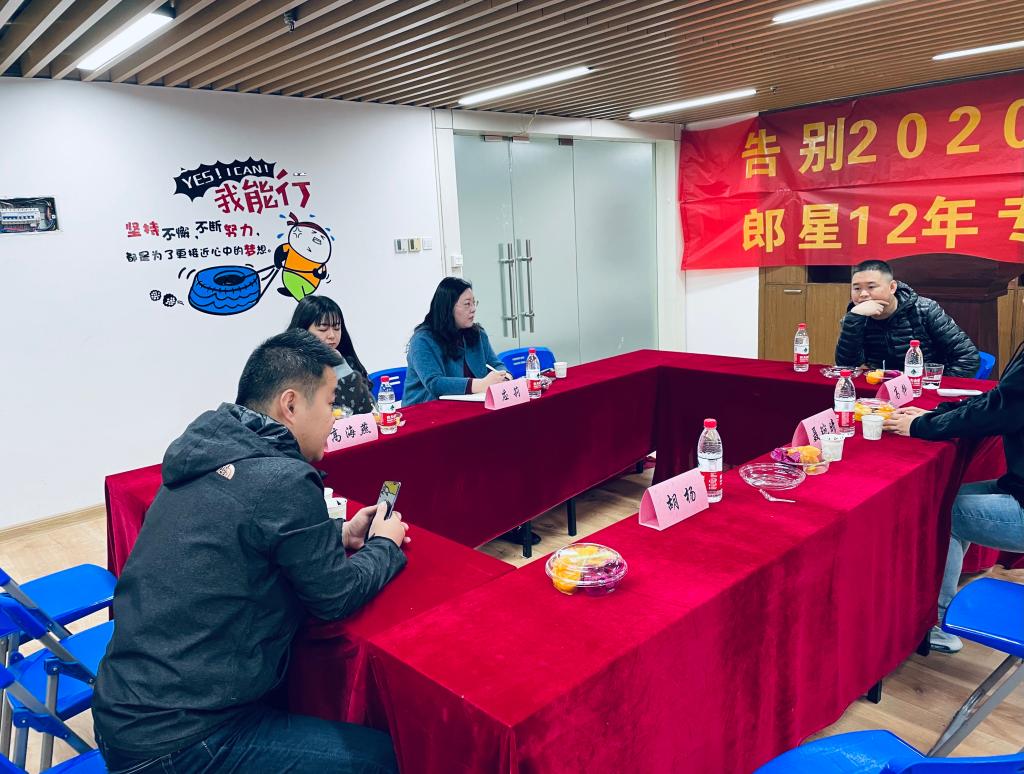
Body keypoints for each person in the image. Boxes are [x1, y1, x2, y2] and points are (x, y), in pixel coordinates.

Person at [93, 330, 410, 773]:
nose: (336, 417)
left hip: (123, 708)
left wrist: (338, 534)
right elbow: (335, 596)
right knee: (385, 758)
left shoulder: (206, 454)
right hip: (180, 740)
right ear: (291, 405)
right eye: (329, 403)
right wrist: (384, 545)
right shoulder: (282, 478)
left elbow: (247, 531)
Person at [884, 339, 1024, 653]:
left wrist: (923, 425)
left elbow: (999, 411)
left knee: (944, 513)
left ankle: (936, 619)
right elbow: (1000, 398)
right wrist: (937, 414)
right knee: (947, 499)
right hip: (1017, 485)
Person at [834, 260, 979, 377]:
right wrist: (854, 320)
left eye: (871, 287)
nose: (863, 294)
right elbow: (847, 367)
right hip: (880, 387)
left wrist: (935, 385)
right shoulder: (856, 317)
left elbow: (968, 357)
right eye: (857, 288)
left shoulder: (925, 309)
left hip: (924, 385)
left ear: (892, 287)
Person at [403, 277, 510, 407]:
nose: (473, 309)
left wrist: (505, 378)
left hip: (468, 405)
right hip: (425, 410)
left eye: (474, 303)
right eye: (467, 304)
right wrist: (481, 384)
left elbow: (496, 365)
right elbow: (435, 383)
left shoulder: (477, 334)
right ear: (448, 308)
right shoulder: (422, 340)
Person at [287, 295, 376, 414]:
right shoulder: (290, 368)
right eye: (323, 329)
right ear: (302, 331)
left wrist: (340, 366)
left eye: (337, 328)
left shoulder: (348, 362)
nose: (332, 335)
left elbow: (369, 408)